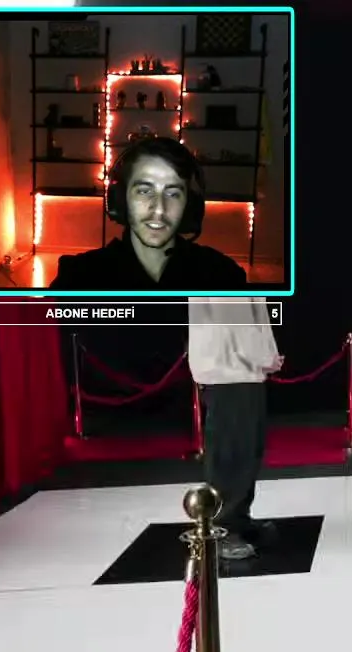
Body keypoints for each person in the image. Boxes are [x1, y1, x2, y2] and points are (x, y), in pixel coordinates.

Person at [49, 137, 247, 291]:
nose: (159, 208)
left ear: (189, 205)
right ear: (120, 198)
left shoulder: (222, 277)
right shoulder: (78, 278)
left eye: (173, 194)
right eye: (144, 191)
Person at [188, 297, 283, 561]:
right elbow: (234, 318)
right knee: (231, 454)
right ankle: (222, 528)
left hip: (238, 369)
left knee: (245, 451)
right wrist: (265, 357)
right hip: (229, 371)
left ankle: (238, 519)